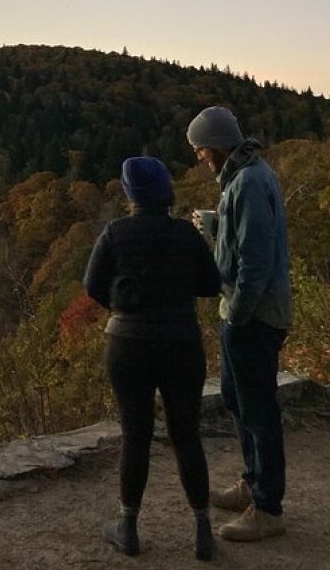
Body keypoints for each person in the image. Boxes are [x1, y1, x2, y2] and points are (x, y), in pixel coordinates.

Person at [84, 156, 221, 560]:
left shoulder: (115, 233)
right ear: (166, 191)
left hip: (127, 342)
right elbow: (212, 285)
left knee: (135, 433)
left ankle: (128, 526)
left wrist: (124, 305)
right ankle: (202, 529)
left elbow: (92, 286)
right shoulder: (184, 234)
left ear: (130, 195)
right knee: (186, 434)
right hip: (181, 341)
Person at [187, 106, 292, 541]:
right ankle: (253, 482)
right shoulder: (244, 176)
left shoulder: (248, 183)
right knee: (237, 397)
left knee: (258, 409)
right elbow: (244, 243)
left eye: (199, 150)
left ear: (215, 146)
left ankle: (267, 508)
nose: (199, 158)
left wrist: (239, 313)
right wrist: (215, 227)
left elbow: (255, 263)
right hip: (246, 311)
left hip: (254, 314)